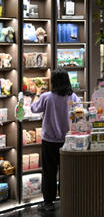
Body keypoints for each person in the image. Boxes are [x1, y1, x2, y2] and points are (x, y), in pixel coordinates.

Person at [30, 68, 80, 212]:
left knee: (49, 172)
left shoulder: (46, 97)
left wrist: (37, 93)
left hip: (49, 141)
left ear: (53, 82)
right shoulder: (73, 97)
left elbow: (34, 109)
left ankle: (48, 203)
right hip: (68, 140)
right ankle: (66, 199)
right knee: (66, 171)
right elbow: (79, 114)